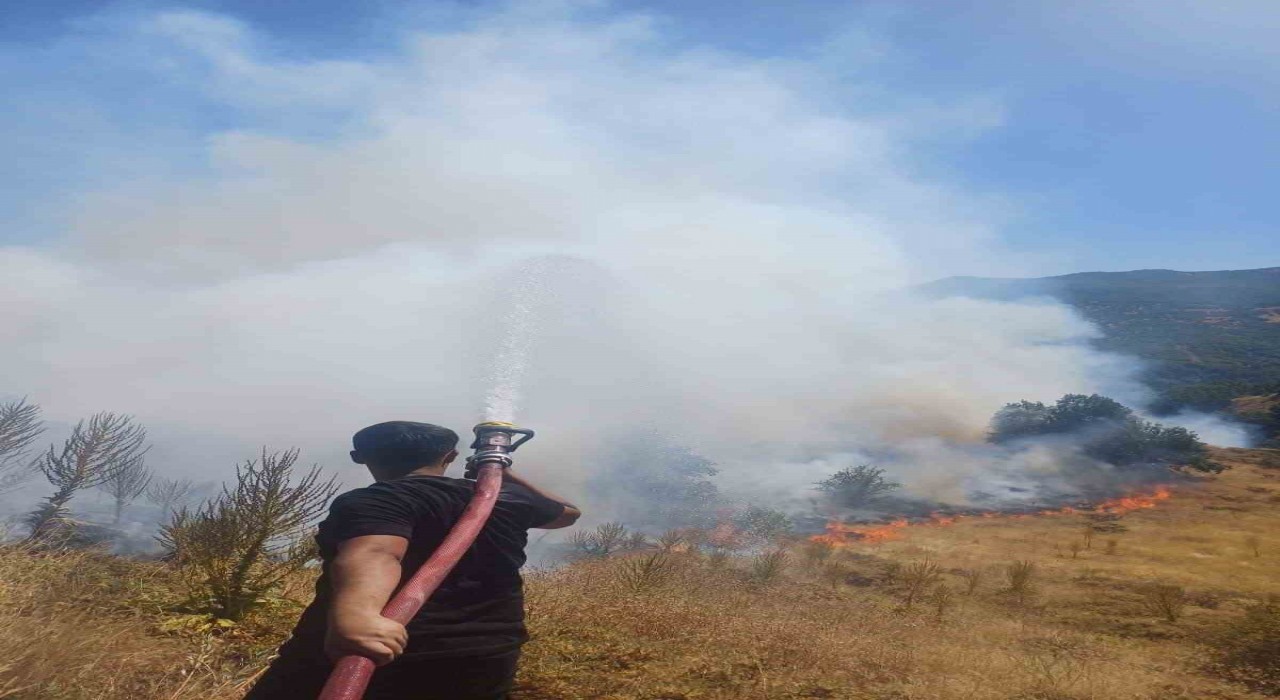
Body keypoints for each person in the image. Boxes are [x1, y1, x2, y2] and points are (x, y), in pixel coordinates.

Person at [245, 421, 581, 700]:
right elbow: (567, 513)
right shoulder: (507, 501)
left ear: (358, 457)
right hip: (486, 654)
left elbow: (377, 551)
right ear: (449, 456)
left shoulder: (376, 500)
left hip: (378, 654)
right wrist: (506, 478)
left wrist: (358, 615)